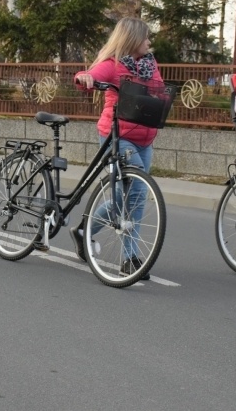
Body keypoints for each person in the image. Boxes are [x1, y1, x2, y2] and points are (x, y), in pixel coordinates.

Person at [69, 17, 164, 280]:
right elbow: (89, 75)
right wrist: (84, 77)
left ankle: (84, 231)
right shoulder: (113, 65)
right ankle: (130, 258)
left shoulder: (149, 64)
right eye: (146, 37)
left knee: (134, 196)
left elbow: (158, 90)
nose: (149, 42)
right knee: (132, 194)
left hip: (146, 136)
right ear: (133, 40)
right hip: (118, 136)